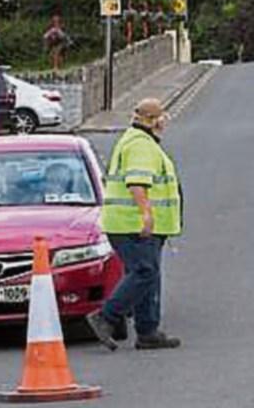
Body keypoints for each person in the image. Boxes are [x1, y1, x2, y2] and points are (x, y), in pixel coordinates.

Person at [87, 98, 182, 351]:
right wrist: (147, 215)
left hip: (131, 224)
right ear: (152, 120)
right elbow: (137, 183)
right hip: (133, 224)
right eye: (162, 117)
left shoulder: (139, 141)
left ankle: (148, 331)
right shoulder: (141, 145)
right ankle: (105, 317)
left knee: (149, 274)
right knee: (144, 272)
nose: (165, 121)